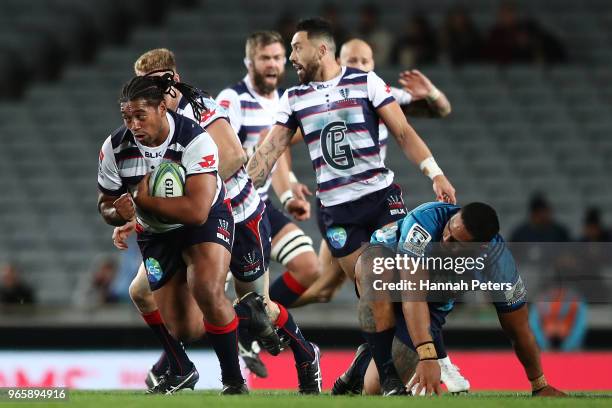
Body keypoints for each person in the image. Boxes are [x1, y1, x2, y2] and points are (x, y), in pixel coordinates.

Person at [247, 17, 457, 394]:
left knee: (380, 283)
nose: (292, 56)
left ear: (321, 49)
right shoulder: (294, 98)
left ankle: (393, 371)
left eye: (296, 47)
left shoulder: (368, 84)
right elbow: (271, 149)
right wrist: (245, 192)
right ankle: (372, 370)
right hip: (337, 212)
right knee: (371, 282)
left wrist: (435, 173)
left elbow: (406, 130)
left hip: (380, 199)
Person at [114, 48, 321, 394]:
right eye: (145, 86)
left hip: (238, 216)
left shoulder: (200, 108)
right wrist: (143, 211)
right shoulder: (151, 122)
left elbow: (234, 155)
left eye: (157, 84)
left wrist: (194, 188)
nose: (152, 93)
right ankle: (181, 366)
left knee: (259, 308)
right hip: (193, 225)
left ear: (173, 79)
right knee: (143, 292)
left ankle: (305, 353)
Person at [97, 74, 282, 395]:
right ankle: (241, 316)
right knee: (187, 328)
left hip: (206, 220)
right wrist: (118, 213)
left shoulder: (195, 139)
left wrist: (142, 201)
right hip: (156, 233)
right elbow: (106, 203)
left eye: (141, 115)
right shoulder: (114, 147)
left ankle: (234, 382)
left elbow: (196, 210)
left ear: (161, 109)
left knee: (207, 290)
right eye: (127, 117)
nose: (134, 124)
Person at [335, 201, 567, 397]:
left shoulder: (499, 263)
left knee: (371, 388)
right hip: (391, 274)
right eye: (448, 230)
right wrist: (427, 355)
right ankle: (387, 369)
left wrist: (539, 384)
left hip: (432, 302)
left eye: (456, 243)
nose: (445, 240)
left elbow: (519, 328)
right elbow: (411, 295)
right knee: (373, 267)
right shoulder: (424, 221)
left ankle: (363, 363)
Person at [216, 31, 322, 391]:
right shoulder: (232, 99)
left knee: (309, 268)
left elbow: (275, 159)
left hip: (261, 205)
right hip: (232, 209)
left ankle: (253, 329)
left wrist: (290, 192)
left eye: (278, 57)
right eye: (266, 58)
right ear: (250, 62)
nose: (274, 64)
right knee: (214, 301)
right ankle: (171, 364)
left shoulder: (282, 101)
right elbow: (222, 151)